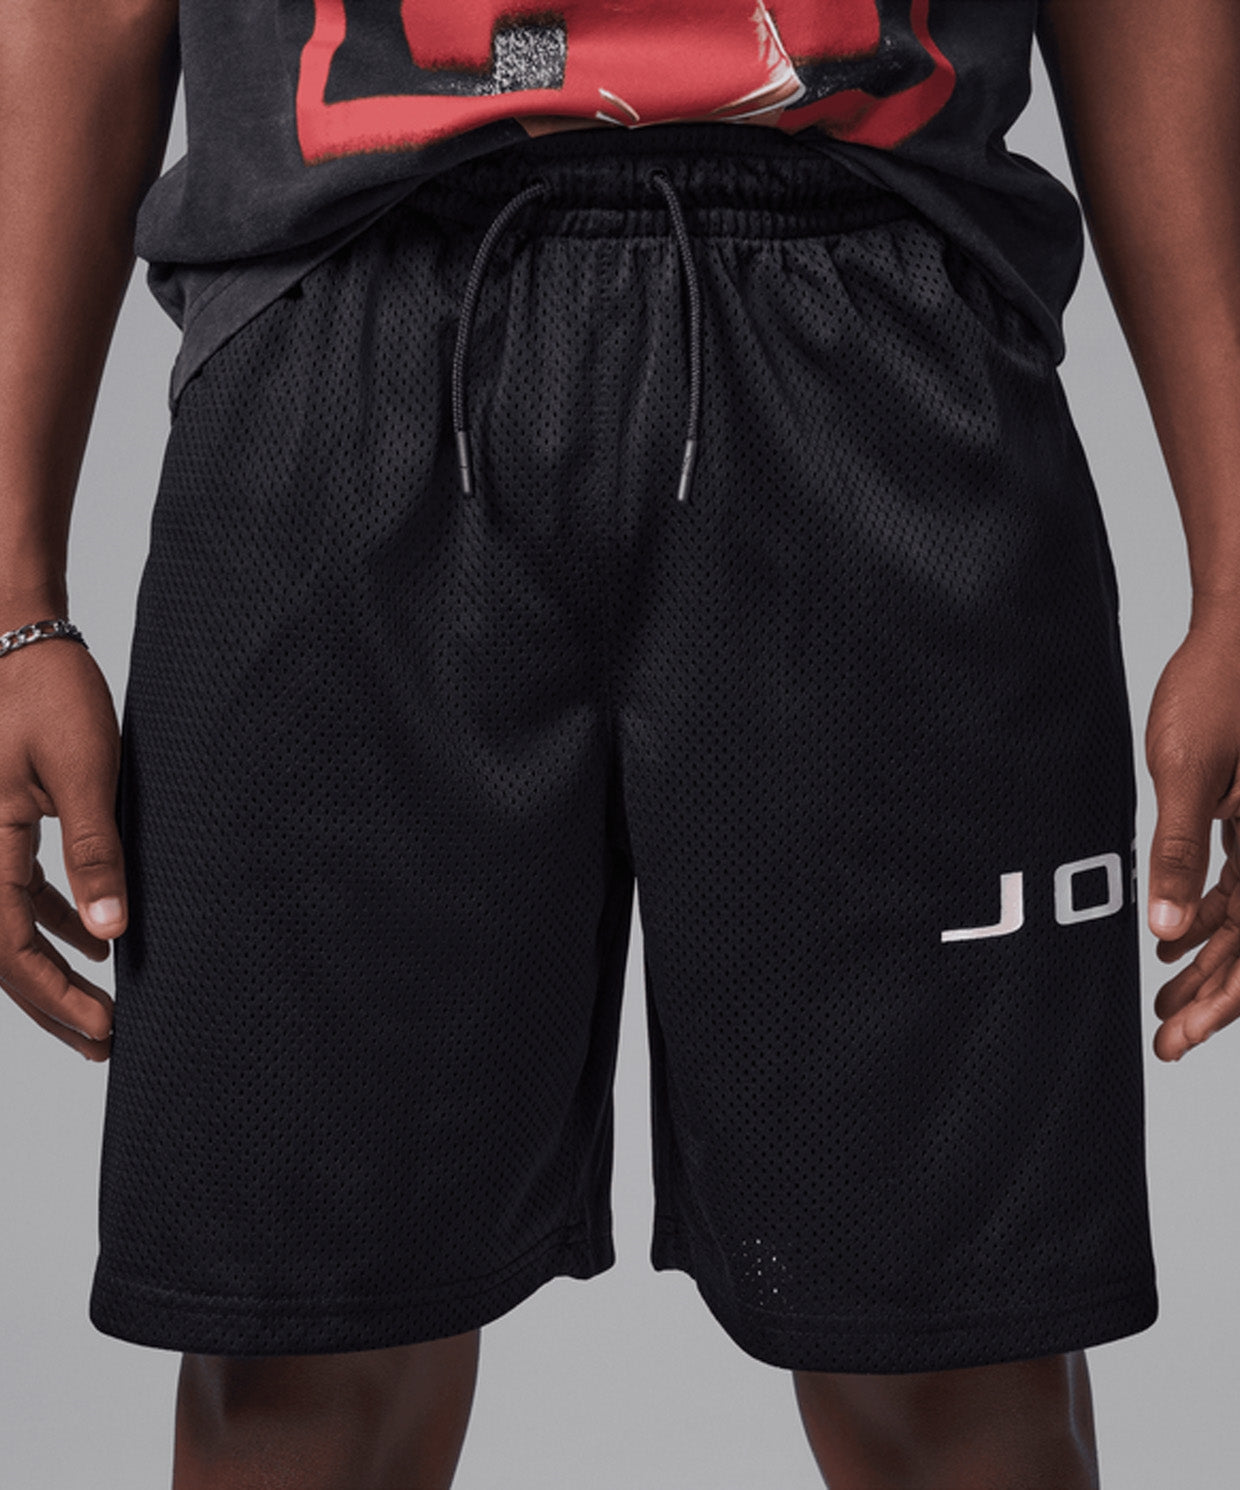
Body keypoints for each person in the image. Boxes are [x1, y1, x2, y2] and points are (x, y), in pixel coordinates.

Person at [2, 1, 1236, 1484]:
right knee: (300, 1370)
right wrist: (13, 602)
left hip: (876, 325)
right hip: (343, 334)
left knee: (959, 1364)